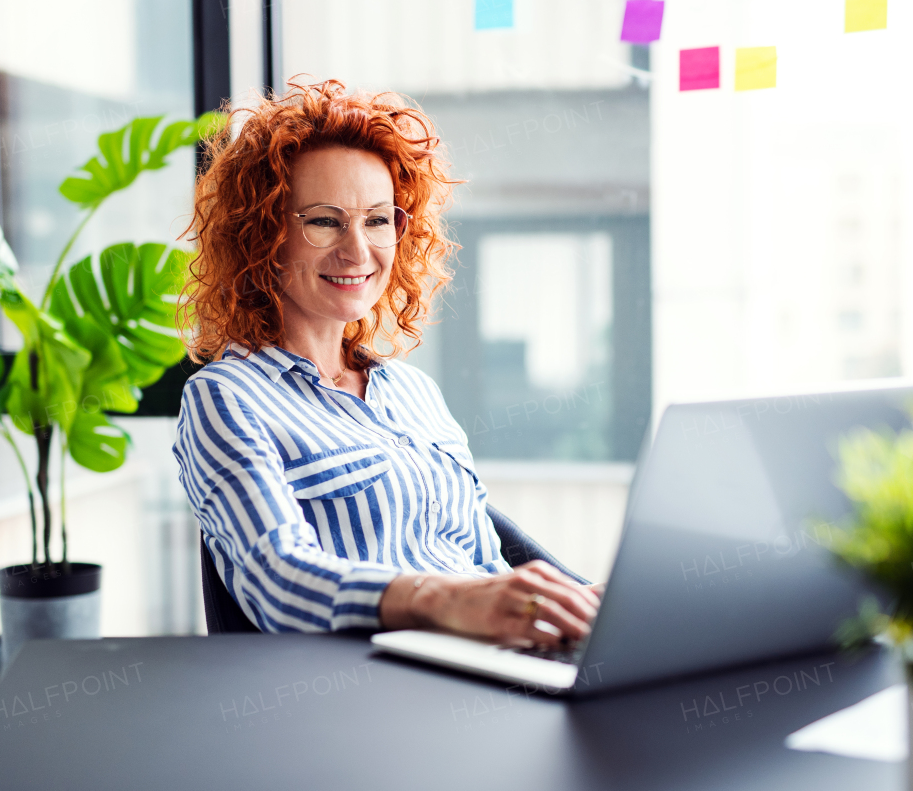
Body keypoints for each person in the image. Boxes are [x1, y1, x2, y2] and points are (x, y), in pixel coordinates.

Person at [174, 79, 598, 647]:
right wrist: (445, 601)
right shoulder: (226, 397)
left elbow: (486, 562)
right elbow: (275, 577)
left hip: (498, 667)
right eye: (324, 220)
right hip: (373, 692)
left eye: (378, 220)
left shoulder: (412, 392)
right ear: (263, 235)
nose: (358, 250)